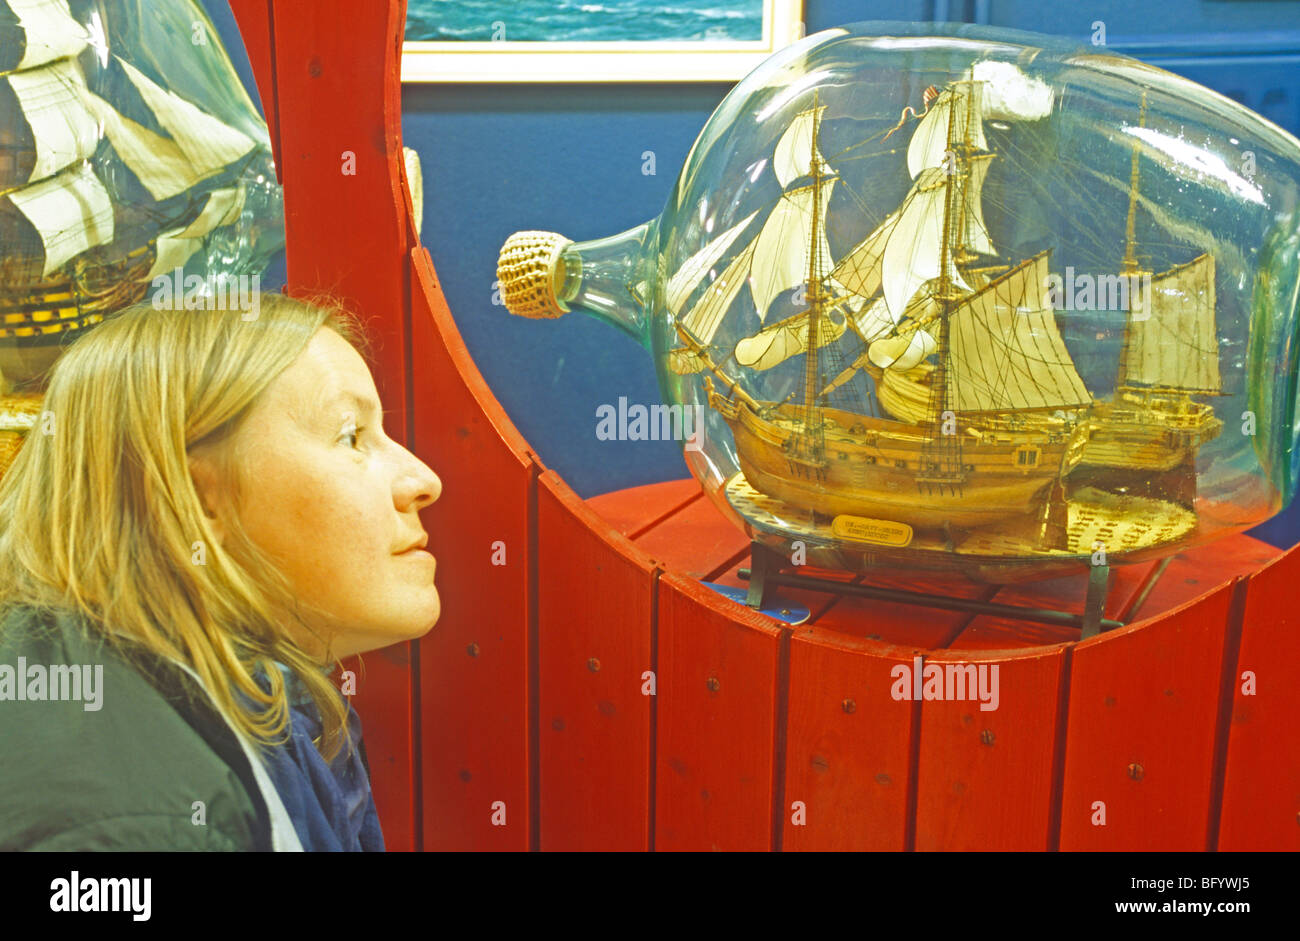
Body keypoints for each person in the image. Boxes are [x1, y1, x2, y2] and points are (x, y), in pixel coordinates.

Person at [0, 292, 441, 850]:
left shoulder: (239, 702)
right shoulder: (141, 821)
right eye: (352, 437)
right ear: (198, 499)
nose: (423, 479)